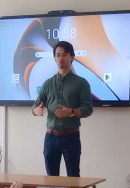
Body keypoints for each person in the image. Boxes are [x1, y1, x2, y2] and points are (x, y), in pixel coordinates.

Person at [32, 41, 93, 177]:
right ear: (54, 58)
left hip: (71, 137)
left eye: (65, 55)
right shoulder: (48, 84)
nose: (61, 58)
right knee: (51, 178)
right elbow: (35, 106)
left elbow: (88, 109)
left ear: (72, 57)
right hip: (50, 137)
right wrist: (37, 110)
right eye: (58, 55)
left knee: (73, 177)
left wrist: (71, 111)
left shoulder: (81, 83)